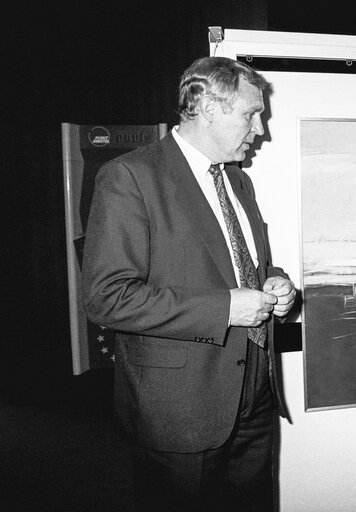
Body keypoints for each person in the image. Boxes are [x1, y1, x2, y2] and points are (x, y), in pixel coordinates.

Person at [82, 56, 296, 512]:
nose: (260, 129)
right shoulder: (130, 177)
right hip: (181, 412)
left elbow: (248, 268)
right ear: (207, 106)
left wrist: (276, 286)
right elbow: (106, 297)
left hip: (255, 395)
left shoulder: (237, 181)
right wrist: (225, 309)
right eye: (250, 114)